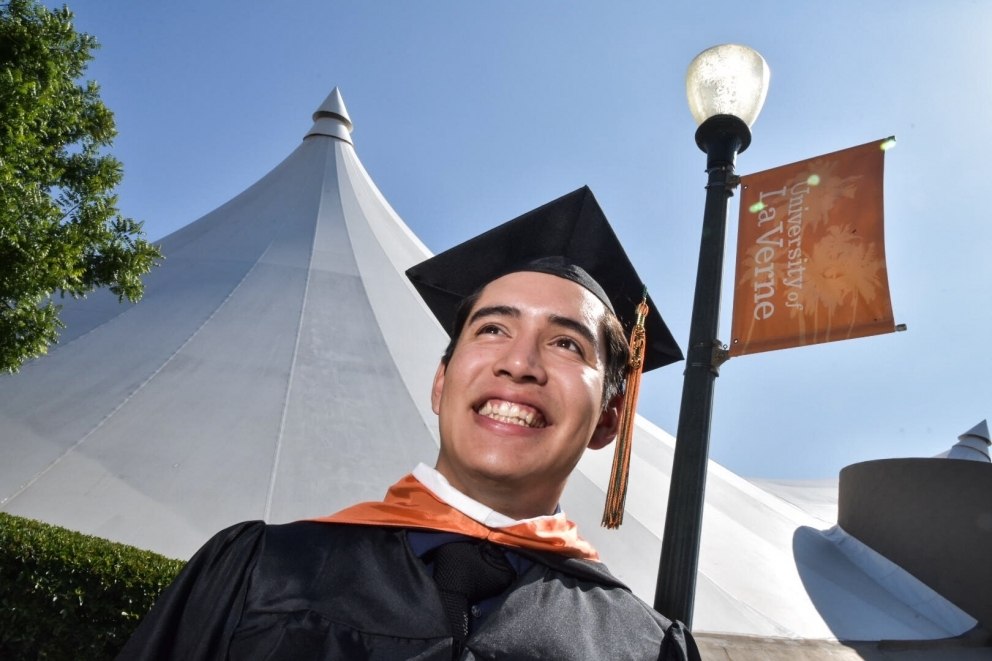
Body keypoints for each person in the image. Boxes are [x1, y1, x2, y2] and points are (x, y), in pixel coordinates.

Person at [118, 187, 698, 660]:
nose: (518, 364)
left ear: (609, 420)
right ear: (440, 381)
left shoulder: (644, 649)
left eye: (567, 344)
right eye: (493, 329)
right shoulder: (262, 571)